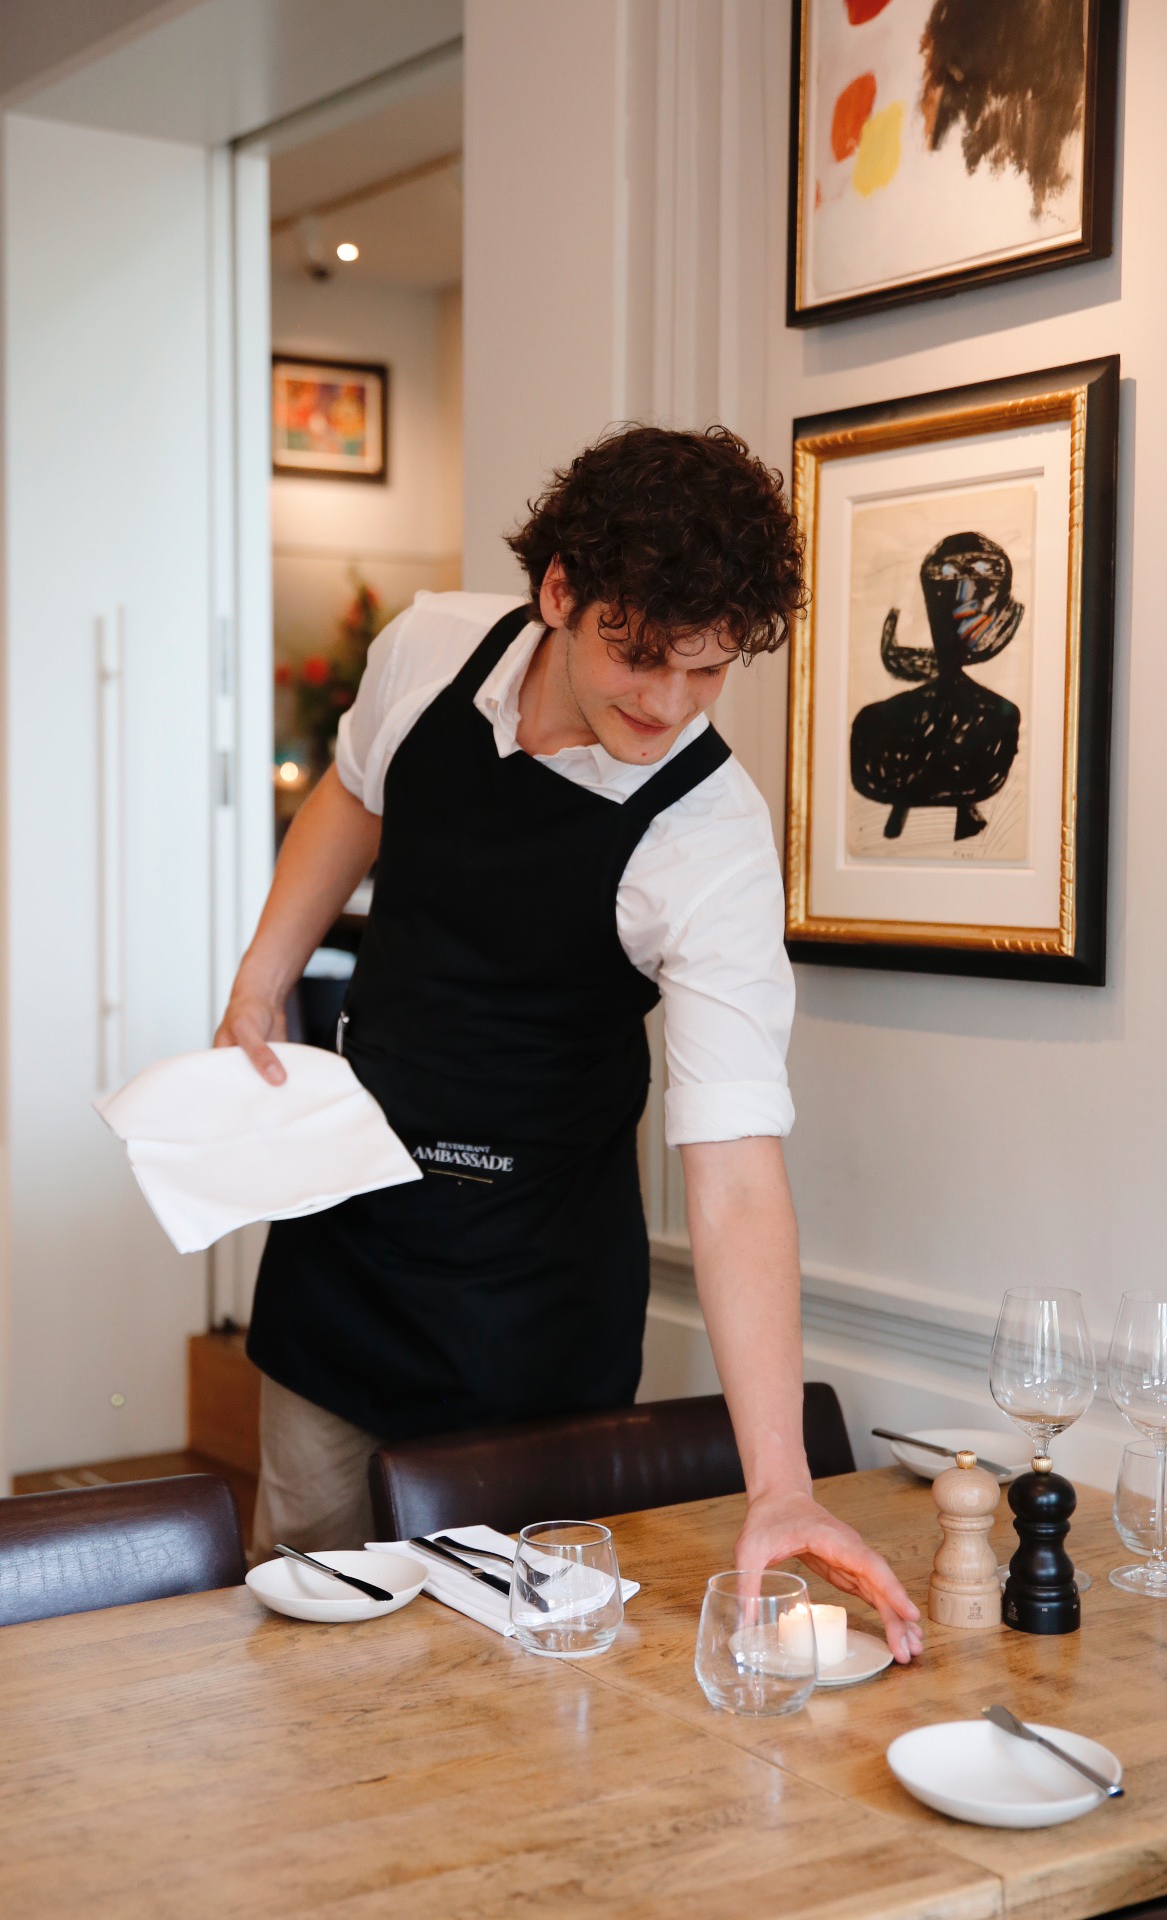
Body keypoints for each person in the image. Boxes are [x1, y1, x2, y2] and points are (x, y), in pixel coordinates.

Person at [216, 424, 923, 1663]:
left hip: (529, 1299)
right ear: (557, 591)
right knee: (298, 1619)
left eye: (704, 675)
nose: (663, 705)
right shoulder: (431, 646)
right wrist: (258, 981)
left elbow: (737, 1172)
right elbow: (354, 792)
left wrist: (778, 1485)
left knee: (498, 1671)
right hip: (345, 1246)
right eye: (637, 657)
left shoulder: (707, 840)